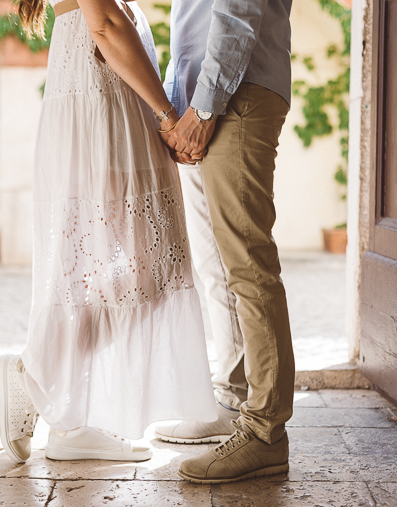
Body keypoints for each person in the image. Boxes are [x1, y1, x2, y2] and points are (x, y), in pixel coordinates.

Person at [0, 0, 217, 465]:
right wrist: (168, 114)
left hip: (103, 92)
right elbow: (106, 22)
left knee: (120, 265)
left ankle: (67, 413)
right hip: (102, 97)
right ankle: (49, 388)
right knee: (149, 264)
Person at [155, 0, 297, 484]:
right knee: (219, 265)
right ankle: (238, 400)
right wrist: (178, 104)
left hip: (234, 95)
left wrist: (203, 105)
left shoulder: (218, 99)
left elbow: (239, 9)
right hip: (206, 97)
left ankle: (264, 434)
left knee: (248, 265)